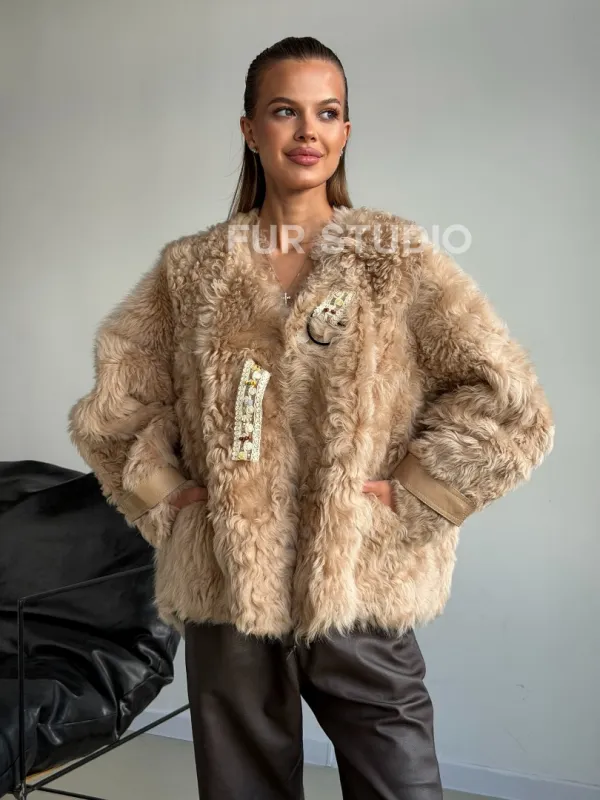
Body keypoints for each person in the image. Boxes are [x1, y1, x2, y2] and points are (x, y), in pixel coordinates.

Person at [68, 36, 554, 800]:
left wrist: (415, 494)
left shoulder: (395, 259)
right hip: (230, 589)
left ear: (346, 131)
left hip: (359, 580)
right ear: (249, 128)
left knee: (398, 782)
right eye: (284, 111)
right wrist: (171, 500)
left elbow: (507, 398)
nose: (307, 131)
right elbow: (116, 405)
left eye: (327, 113)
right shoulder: (192, 271)